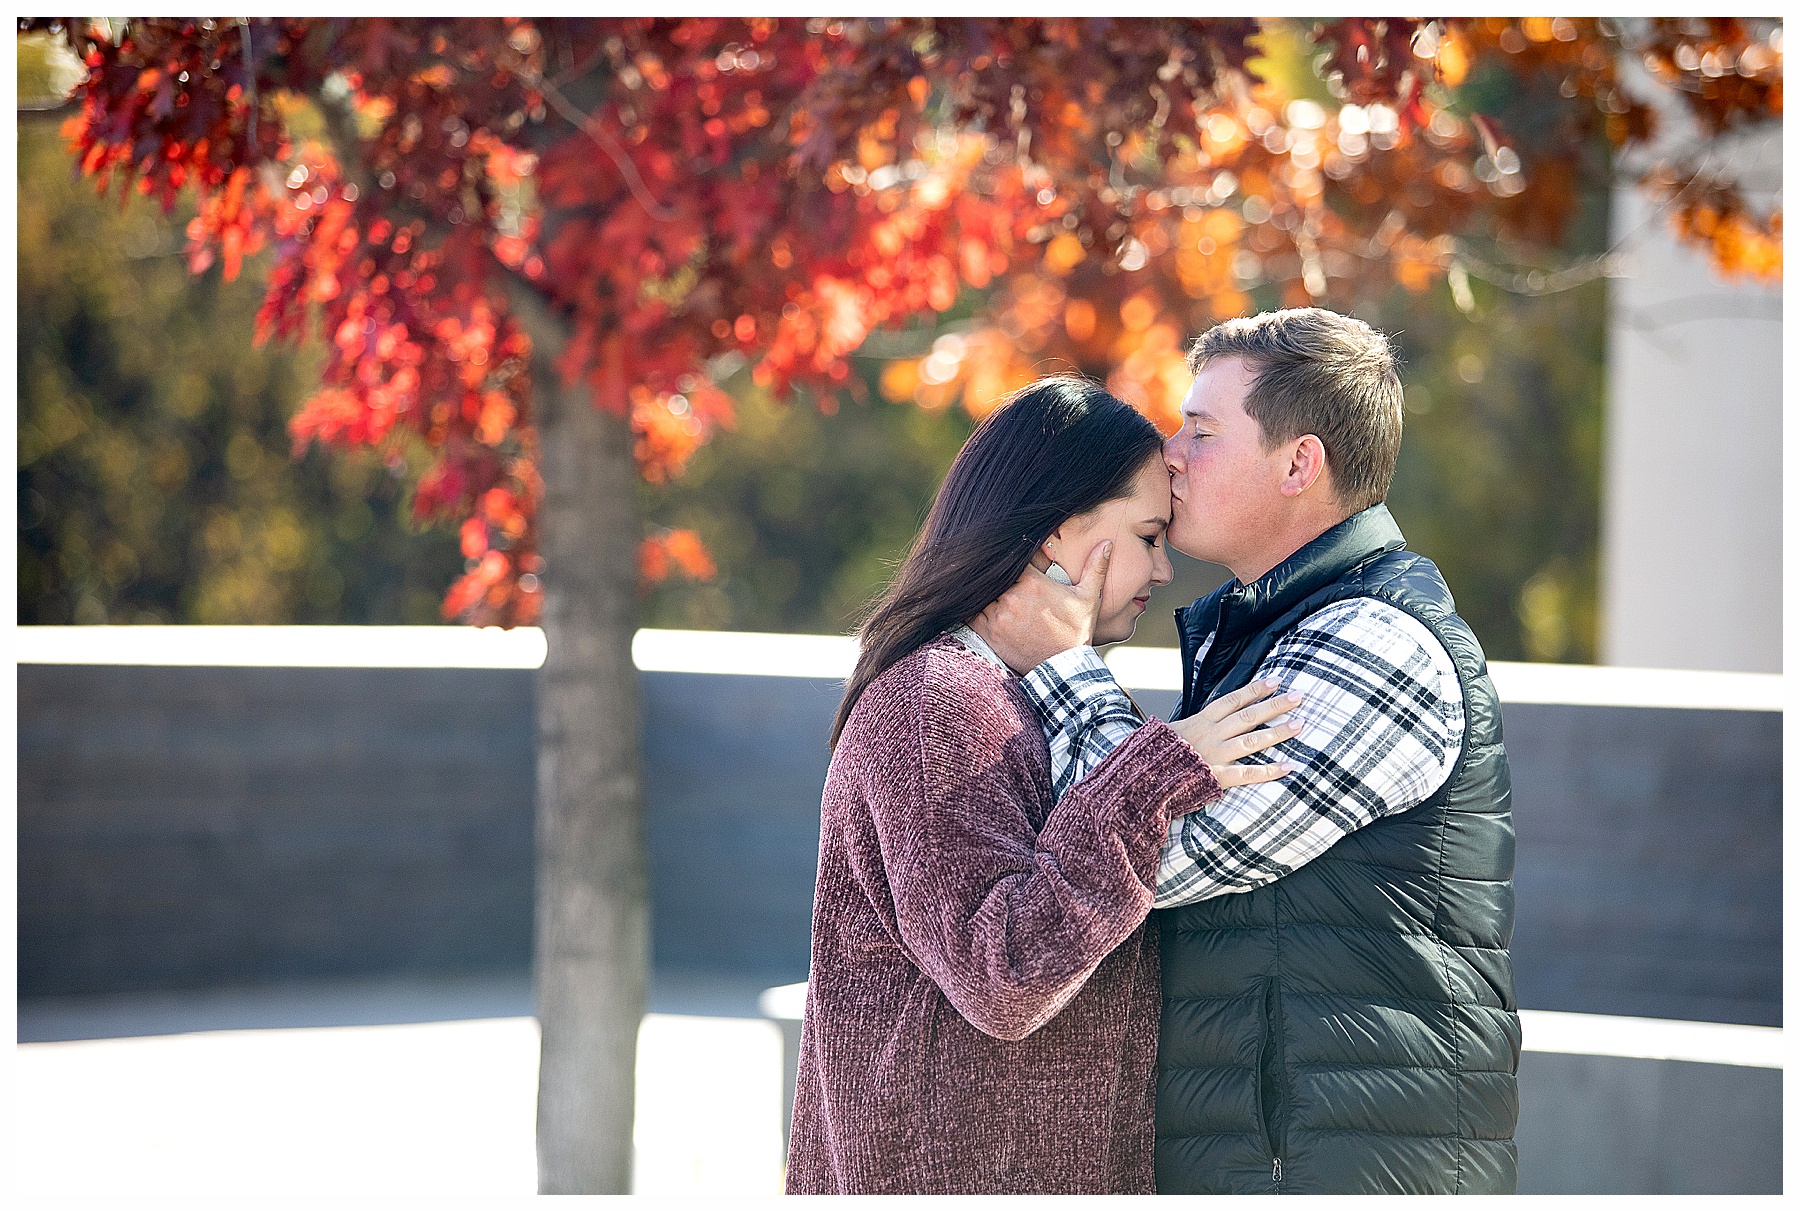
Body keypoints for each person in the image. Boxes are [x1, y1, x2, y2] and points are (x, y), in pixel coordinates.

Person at [975, 308, 1520, 1195]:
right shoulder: (1267, 635)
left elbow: (1160, 856)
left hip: (1335, 1173)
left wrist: (1063, 659)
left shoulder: (1377, 646)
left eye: (1202, 431)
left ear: (1300, 463)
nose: (1171, 456)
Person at [786, 377, 1306, 1194]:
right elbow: (1006, 973)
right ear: (1056, 537)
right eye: (1147, 535)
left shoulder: (1027, 695)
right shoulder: (938, 702)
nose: (1166, 569)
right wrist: (1155, 775)